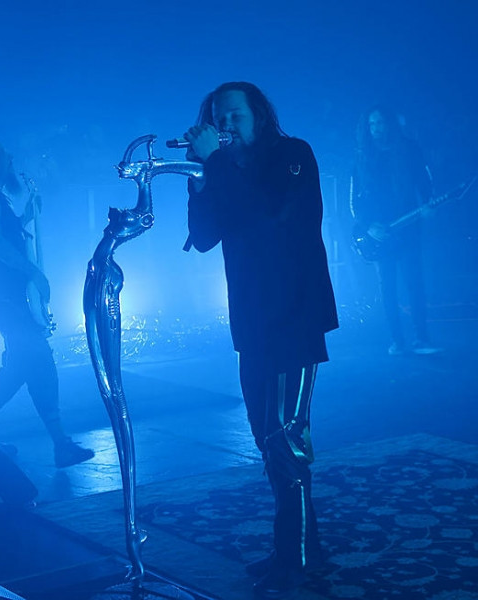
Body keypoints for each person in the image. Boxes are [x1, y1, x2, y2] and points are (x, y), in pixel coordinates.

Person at [183, 82, 338, 599]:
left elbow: (269, 216)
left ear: (259, 116)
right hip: (252, 323)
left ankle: (295, 562)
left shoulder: (292, 156)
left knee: (285, 439)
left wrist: (217, 165)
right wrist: (201, 179)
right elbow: (204, 238)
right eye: (218, 118)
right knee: (266, 440)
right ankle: (302, 548)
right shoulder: (226, 171)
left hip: (294, 316)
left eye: (235, 115)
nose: (225, 125)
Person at [0, 135, 94, 468]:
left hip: (4, 294)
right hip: (5, 295)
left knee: (20, 364)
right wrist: (34, 273)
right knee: (37, 359)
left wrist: (24, 219)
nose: (10, 158)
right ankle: (58, 443)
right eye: (2, 154)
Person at [350, 105, 441, 356]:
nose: (376, 129)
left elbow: (424, 180)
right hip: (379, 231)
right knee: (387, 287)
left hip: (408, 226)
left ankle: (421, 339)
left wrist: (428, 202)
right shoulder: (362, 155)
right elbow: (355, 199)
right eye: (372, 124)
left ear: (390, 124)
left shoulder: (408, 149)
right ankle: (397, 341)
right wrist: (368, 226)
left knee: (414, 283)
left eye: (380, 123)